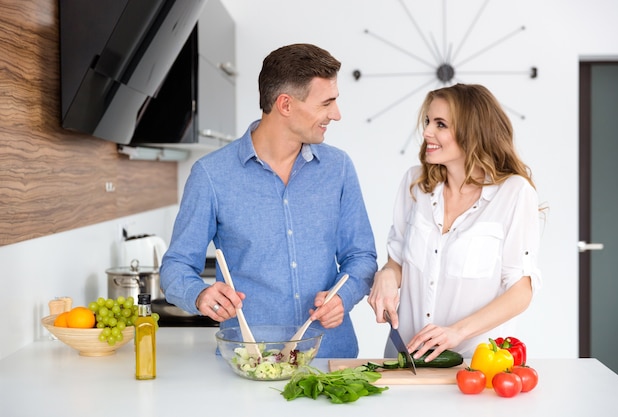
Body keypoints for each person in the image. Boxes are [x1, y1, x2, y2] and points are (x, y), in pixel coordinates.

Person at [160, 43, 377, 358]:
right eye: (326, 103)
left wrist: (345, 296)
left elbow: (361, 256)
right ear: (285, 104)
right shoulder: (211, 175)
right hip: (249, 361)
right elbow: (176, 265)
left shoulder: (338, 168)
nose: (336, 114)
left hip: (329, 359)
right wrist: (199, 294)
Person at [368, 83, 542, 361]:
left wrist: (456, 333)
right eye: (427, 121)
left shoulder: (514, 193)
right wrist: (386, 276)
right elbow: (398, 260)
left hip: (476, 361)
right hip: (404, 355)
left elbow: (521, 290)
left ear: (474, 131)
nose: (426, 132)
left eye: (440, 124)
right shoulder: (415, 185)